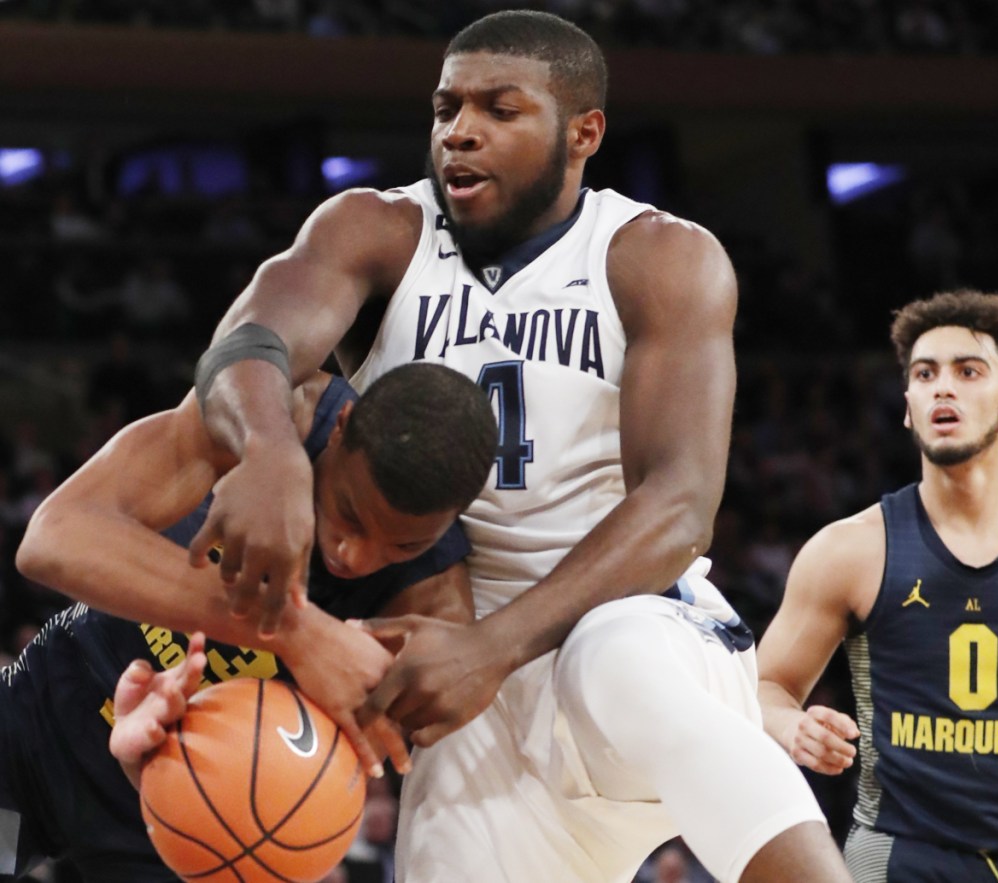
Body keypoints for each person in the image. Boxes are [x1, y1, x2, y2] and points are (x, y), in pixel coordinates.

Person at [189, 9, 850, 882]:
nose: (460, 133)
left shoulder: (655, 255)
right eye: (445, 108)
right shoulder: (376, 229)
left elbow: (681, 506)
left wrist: (493, 645)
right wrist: (270, 451)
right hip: (457, 676)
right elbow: (247, 346)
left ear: (584, 132)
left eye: (500, 110)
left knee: (616, 653)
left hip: (636, 640)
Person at [6, 362, 497, 882]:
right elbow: (52, 539)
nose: (354, 554)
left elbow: (321, 789)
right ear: (341, 430)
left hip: (195, 815)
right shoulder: (265, 420)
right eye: (349, 512)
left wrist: (161, 772)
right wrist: (295, 631)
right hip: (47, 714)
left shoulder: (430, 615)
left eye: (403, 545)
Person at [757, 289, 998, 882]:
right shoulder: (849, 549)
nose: (943, 388)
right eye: (925, 375)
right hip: (903, 854)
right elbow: (765, 685)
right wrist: (792, 726)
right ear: (907, 407)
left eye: (968, 371)